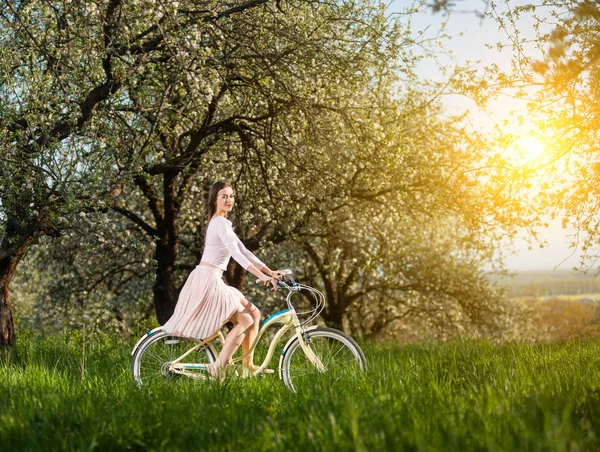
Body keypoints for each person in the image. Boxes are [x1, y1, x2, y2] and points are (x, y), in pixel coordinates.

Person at [161, 180, 282, 379]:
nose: (228, 200)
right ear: (215, 200)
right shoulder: (219, 223)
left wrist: (270, 272)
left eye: (231, 196)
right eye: (223, 196)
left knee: (254, 312)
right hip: (208, 280)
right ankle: (218, 367)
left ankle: (247, 365)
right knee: (245, 320)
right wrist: (261, 276)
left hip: (211, 277)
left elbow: (244, 251)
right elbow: (236, 254)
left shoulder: (223, 224)